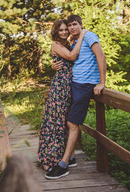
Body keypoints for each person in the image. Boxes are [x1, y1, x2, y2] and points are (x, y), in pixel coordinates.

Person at [45, 15, 106, 180]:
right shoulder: (73, 41)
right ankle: (70, 157)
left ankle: (63, 164)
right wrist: (53, 64)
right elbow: (67, 59)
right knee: (67, 119)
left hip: (85, 85)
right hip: (74, 84)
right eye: (68, 26)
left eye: (73, 25)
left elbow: (101, 57)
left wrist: (101, 83)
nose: (71, 28)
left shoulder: (89, 35)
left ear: (81, 25)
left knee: (72, 123)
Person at [37, 19, 87, 171]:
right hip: (60, 87)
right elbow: (72, 57)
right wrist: (82, 36)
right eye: (61, 30)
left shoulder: (68, 43)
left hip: (71, 87)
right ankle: (47, 159)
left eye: (66, 29)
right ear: (56, 32)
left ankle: (63, 156)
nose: (65, 32)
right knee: (54, 121)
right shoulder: (56, 44)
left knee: (66, 122)